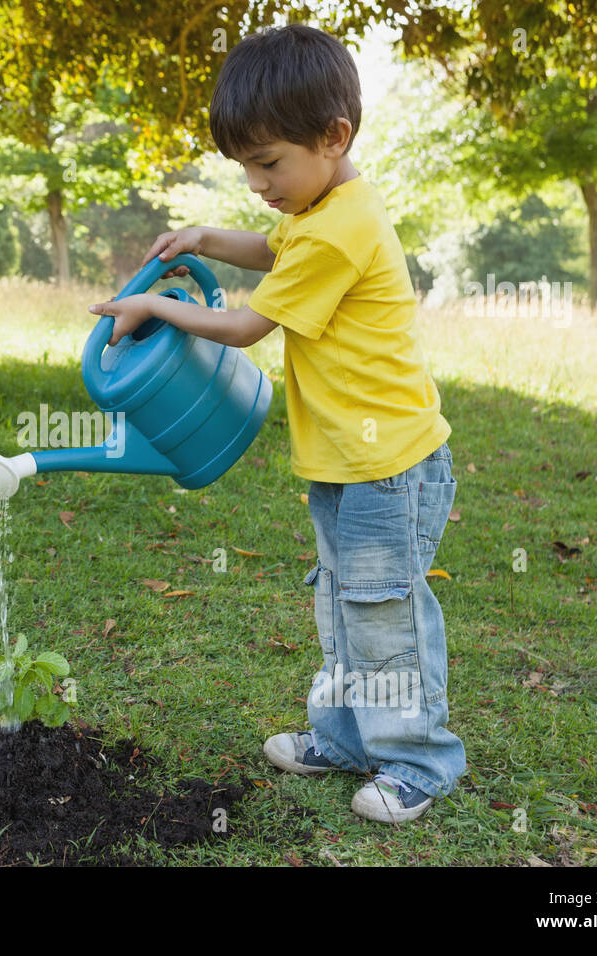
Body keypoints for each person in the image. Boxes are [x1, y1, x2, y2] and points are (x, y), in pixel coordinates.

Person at [87, 23, 463, 824]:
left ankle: (417, 763)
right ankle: (345, 737)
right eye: (246, 167)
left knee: (381, 610)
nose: (258, 183)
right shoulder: (324, 205)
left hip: (387, 464)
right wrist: (201, 238)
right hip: (344, 460)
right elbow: (270, 247)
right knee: (341, 600)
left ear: (334, 138)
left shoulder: (341, 225)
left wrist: (159, 306)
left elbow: (251, 326)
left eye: (268, 163)